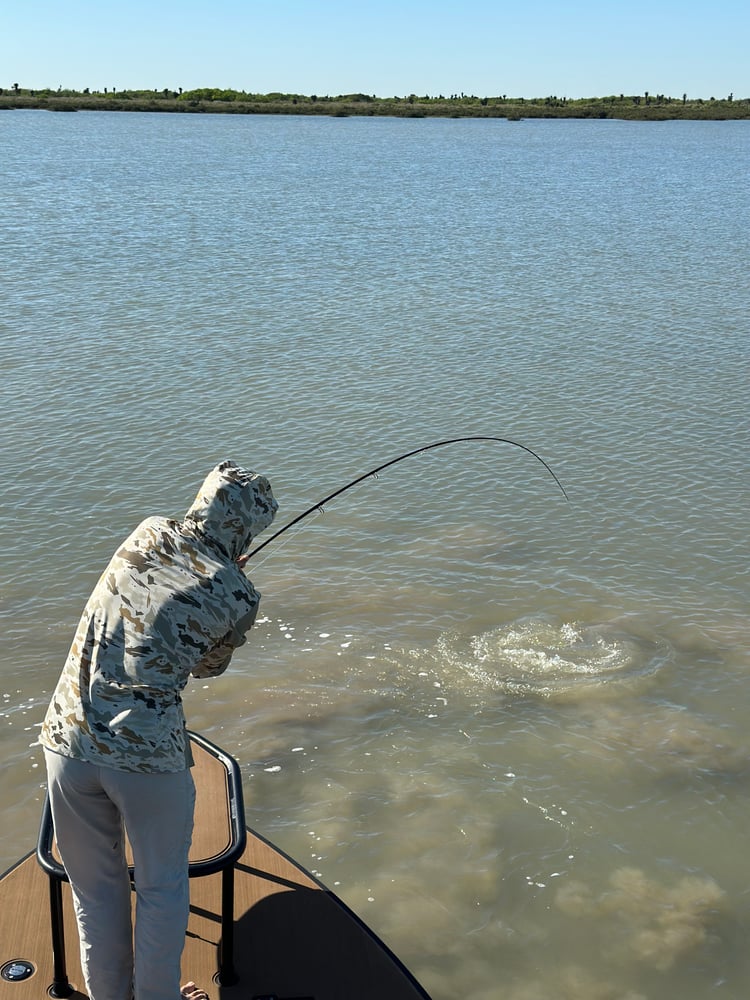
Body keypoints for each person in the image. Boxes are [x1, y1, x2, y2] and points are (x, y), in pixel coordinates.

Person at [40, 460, 278, 1000]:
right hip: (148, 759)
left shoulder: (147, 529)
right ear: (251, 528)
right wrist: (231, 577)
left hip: (68, 740)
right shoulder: (240, 594)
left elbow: (153, 589)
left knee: (95, 894)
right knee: (161, 890)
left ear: (203, 499)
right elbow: (207, 667)